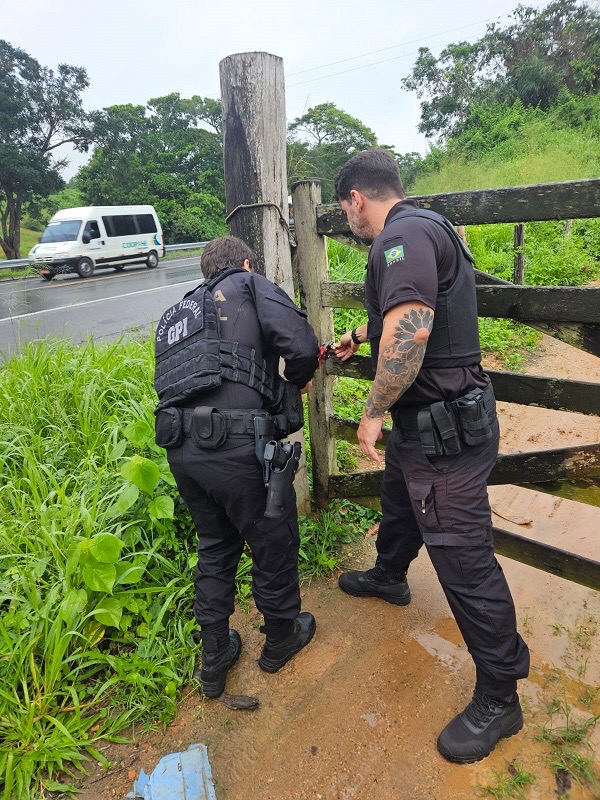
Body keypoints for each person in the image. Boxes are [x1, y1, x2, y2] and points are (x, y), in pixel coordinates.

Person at [333, 149, 530, 764]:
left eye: (346, 211)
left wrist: (372, 411)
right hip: (429, 427)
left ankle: (500, 695)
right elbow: (416, 313)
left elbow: (411, 328)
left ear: (356, 199)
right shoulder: (429, 227)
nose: (349, 222)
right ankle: (390, 575)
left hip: (442, 435)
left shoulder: (400, 238)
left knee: (464, 561)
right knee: (398, 498)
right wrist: (360, 333)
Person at [153, 236, 320, 698]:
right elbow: (302, 346)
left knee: (215, 545)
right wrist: (294, 386)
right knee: (273, 538)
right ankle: (281, 639)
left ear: (205, 272)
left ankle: (214, 659)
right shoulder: (248, 283)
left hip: (180, 448)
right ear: (245, 263)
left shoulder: (183, 312)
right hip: (236, 445)